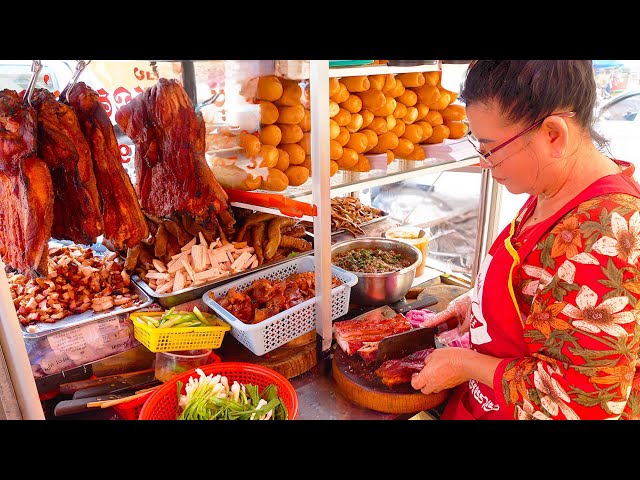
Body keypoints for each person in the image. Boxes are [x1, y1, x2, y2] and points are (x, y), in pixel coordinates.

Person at [411, 60, 640, 420]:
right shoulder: (557, 188)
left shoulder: (603, 232)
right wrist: (477, 305)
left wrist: (466, 363)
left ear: (553, 134)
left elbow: (584, 403)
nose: (487, 162)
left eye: (491, 148)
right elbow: (544, 291)